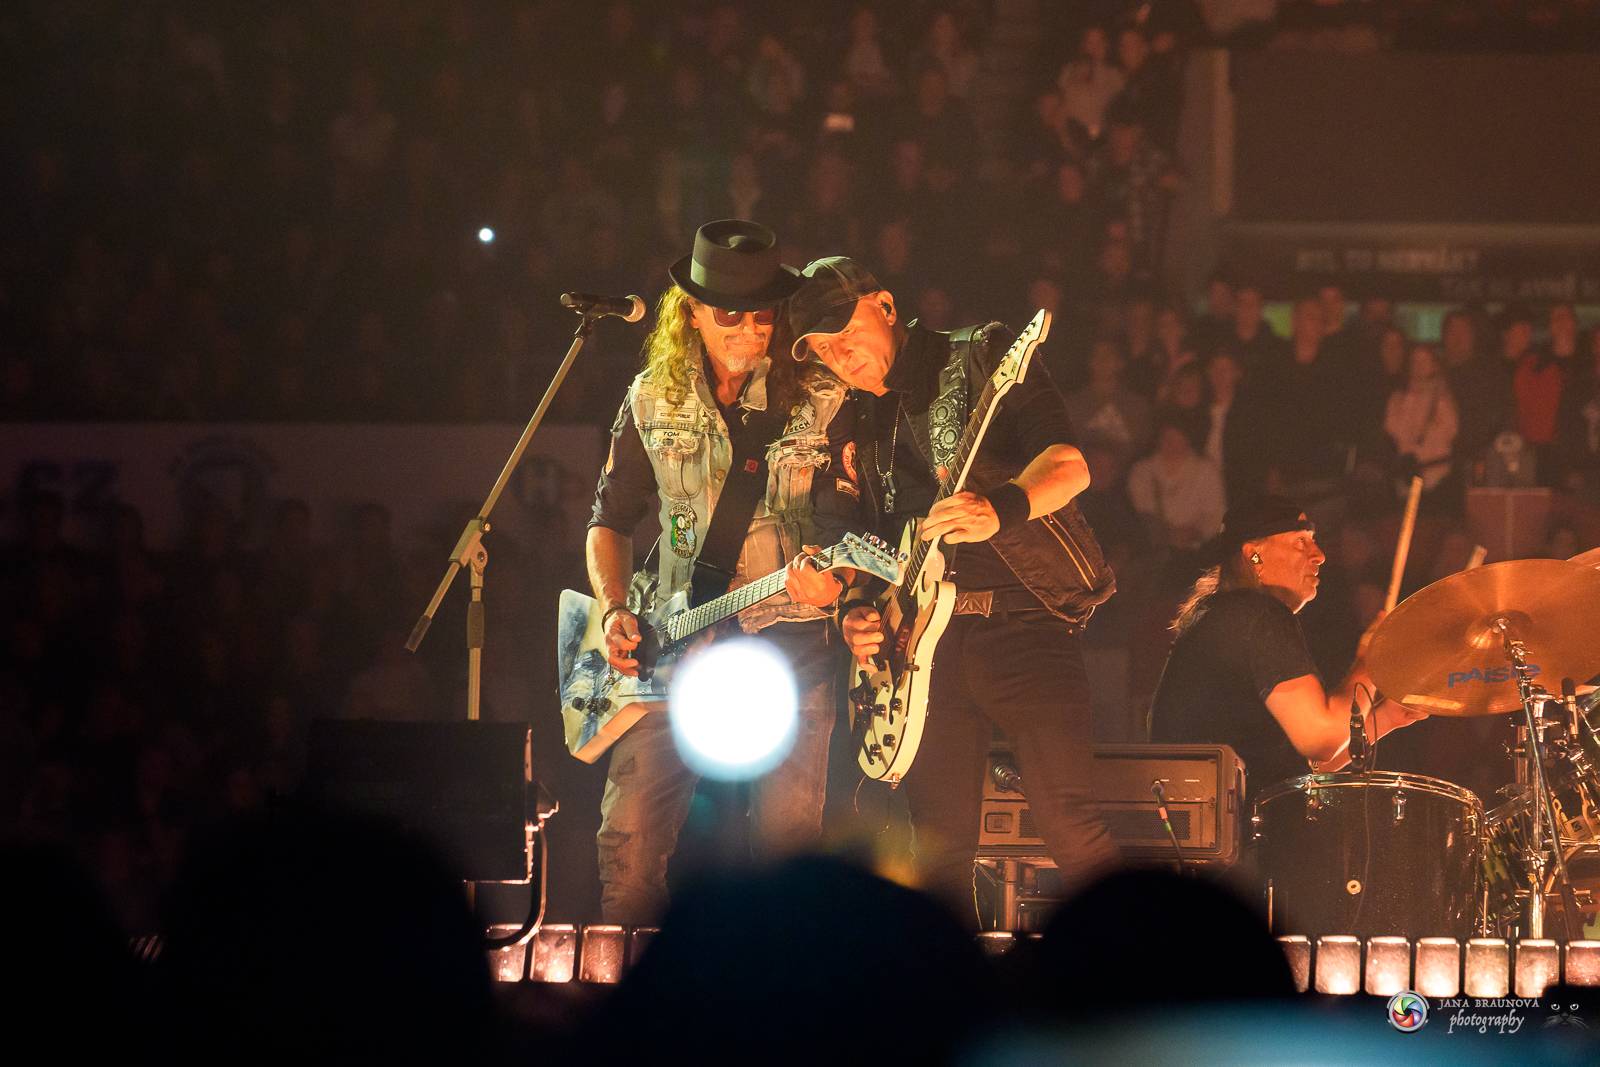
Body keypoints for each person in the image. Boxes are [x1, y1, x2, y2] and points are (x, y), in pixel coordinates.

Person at [785, 255, 1120, 919]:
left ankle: (1138, 980)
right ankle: (951, 1002)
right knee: (937, 849)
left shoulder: (980, 359)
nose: (839, 352)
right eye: (823, 347)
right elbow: (867, 548)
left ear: (884, 305)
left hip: (1022, 623)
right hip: (923, 654)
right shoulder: (856, 425)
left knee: (1070, 820)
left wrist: (1002, 507)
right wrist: (858, 611)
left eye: (843, 330)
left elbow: (1070, 465)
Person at [585, 220, 859, 924]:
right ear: (693, 313)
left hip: (793, 641)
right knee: (631, 846)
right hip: (670, 636)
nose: (747, 327)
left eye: (761, 312)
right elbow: (609, 519)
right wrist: (615, 609)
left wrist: (842, 580)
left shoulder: (825, 396)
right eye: (728, 312)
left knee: (788, 858)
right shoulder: (651, 396)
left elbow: (863, 517)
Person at [1147, 496, 1427, 801]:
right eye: (1300, 542)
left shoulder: (1222, 617)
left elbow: (1307, 764)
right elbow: (1320, 740)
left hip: (1209, 831)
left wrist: (1386, 717)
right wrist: (1370, 660)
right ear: (1254, 555)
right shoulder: (1258, 615)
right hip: (1238, 837)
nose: (1319, 555)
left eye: (1314, 541)